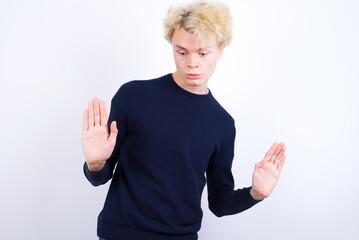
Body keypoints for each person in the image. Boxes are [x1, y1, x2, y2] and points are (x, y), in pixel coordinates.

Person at [81, 1, 286, 240]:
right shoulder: (133, 96)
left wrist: (255, 194)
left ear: (220, 49)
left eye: (202, 53)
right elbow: (100, 176)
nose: (192, 63)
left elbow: (219, 202)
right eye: (182, 52)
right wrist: (95, 164)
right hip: (119, 235)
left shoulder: (222, 124)